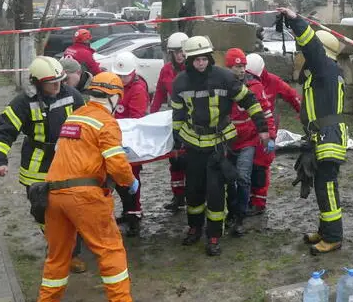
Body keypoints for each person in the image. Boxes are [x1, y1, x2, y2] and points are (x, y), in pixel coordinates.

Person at [38, 72, 136, 302]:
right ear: (113, 97)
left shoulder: (75, 117)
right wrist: (130, 182)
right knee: (110, 251)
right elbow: (118, 166)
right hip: (85, 196)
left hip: (53, 194)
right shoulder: (107, 122)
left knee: (57, 258)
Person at [171, 36, 269, 256]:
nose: (201, 63)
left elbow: (250, 101)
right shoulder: (180, 82)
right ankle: (195, 227)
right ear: (188, 60)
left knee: (216, 193)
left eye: (204, 58)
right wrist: (176, 141)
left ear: (209, 57)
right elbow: (177, 114)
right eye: (196, 60)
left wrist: (263, 129)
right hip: (193, 144)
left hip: (218, 144)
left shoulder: (225, 78)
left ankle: (214, 235)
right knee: (193, 192)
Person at [0, 56, 88, 271]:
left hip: (69, 163)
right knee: (44, 213)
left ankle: (71, 254)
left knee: (74, 210)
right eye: (52, 82)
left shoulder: (73, 96)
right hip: (36, 167)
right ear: (37, 83)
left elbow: (88, 123)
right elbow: (3, 132)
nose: (58, 86)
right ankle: (55, 246)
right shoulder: (22, 103)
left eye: (60, 80)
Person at [277, 7, 347, 255]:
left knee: (326, 187)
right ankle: (326, 230)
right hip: (323, 136)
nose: (302, 56)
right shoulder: (325, 73)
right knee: (321, 186)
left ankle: (333, 237)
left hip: (328, 137)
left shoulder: (325, 68)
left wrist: (296, 22)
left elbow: (312, 48)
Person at [224, 48, 276, 236]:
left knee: (243, 177)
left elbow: (266, 112)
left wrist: (269, 135)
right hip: (228, 140)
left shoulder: (255, 86)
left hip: (248, 141)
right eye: (237, 66)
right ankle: (232, 212)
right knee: (229, 179)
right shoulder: (222, 87)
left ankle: (240, 216)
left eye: (243, 66)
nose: (241, 70)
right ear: (229, 67)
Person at [244, 53, 301, 216]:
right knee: (246, 167)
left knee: (261, 167)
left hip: (267, 132)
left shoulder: (273, 81)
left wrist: (303, 115)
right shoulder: (241, 82)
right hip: (248, 131)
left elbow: (292, 96)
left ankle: (259, 202)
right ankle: (247, 198)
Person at [150, 32, 189, 211]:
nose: (181, 54)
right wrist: (151, 115)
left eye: (183, 51)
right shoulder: (166, 70)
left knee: (191, 160)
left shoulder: (193, 69)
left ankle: (194, 195)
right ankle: (178, 195)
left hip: (192, 119)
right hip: (174, 118)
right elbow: (159, 92)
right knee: (175, 160)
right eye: (177, 51)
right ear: (171, 53)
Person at [112, 52, 149, 237]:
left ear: (133, 73)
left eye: (124, 76)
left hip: (130, 140)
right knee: (118, 179)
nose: (121, 79)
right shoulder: (115, 86)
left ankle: (134, 212)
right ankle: (128, 210)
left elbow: (137, 119)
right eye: (118, 76)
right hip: (115, 138)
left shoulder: (137, 89)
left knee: (131, 178)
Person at [246, 53, 301, 128]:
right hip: (248, 122)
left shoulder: (274, 81)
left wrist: (302, 112)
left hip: (269, 121)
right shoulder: (238, 82)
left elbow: (292, 95)